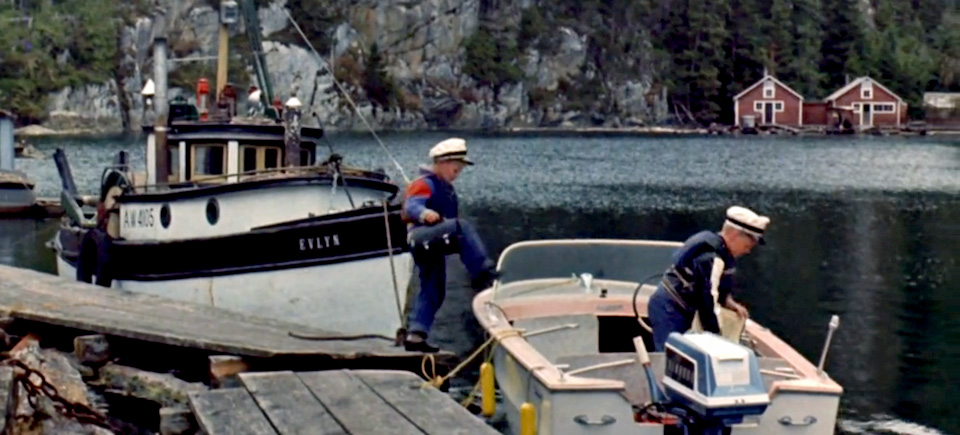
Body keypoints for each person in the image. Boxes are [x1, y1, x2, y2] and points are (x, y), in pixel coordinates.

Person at [402, 138, 498, 352]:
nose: (457, 173)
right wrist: (424, 213)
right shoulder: (424, 183)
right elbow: (412, 205)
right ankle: (484, 274)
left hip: (429, 241)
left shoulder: (445, 189)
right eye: (455, 168)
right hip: (421, 236)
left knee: (434, 288)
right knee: (461, 228)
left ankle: (416, 334)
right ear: (442, 163)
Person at [647, 206, 770, 351]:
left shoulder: (723, 252)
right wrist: (717, 338)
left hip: (683, 308)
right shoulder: (710, 258)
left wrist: (728, 302)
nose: (748, 250)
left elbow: (720, 287)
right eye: (747, 245)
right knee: (671, 355)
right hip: (669, 309)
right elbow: (707, 303)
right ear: (735, 235)